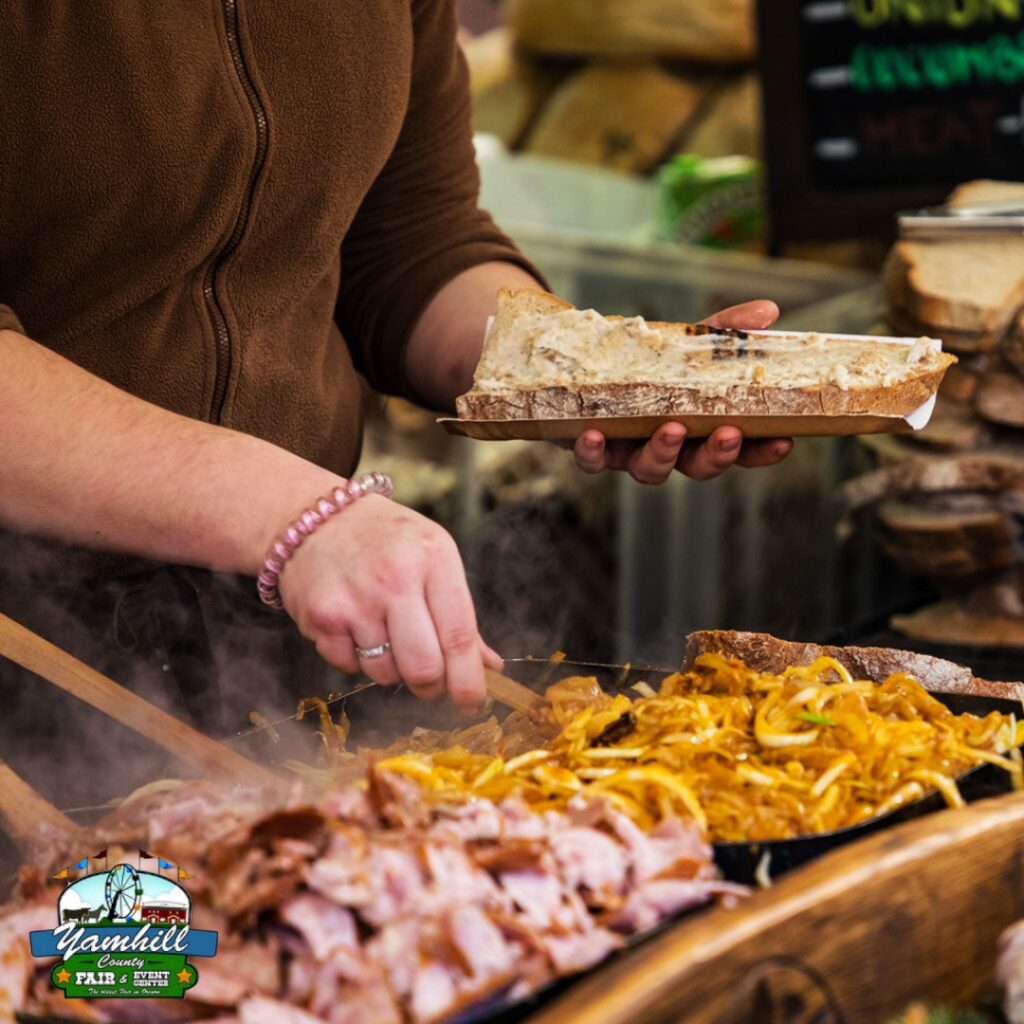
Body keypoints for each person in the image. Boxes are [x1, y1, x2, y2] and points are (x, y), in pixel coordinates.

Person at [0, 3, 790, 805]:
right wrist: (288, 513)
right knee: (86, 928)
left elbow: (407, 234)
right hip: (26, 639)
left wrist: (593, 373)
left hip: (279, 626)